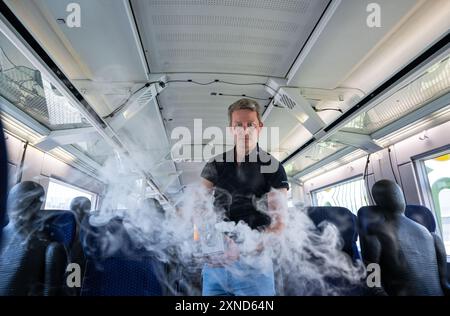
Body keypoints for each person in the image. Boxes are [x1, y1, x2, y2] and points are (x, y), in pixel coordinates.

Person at [200, 98, 289, 296]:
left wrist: (246, 247)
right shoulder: (215, 164)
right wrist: (212, 241)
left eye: (251, 125)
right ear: (231, 129)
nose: (245, 131)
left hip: (254, 267)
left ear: (260, 127)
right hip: (216, 265)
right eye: (238, 125)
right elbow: (197, 207)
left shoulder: (273, 168)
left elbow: (279, 224)